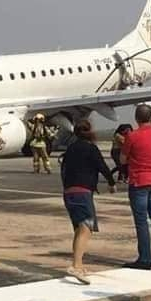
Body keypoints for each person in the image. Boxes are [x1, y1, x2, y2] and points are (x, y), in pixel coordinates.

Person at [61, 120, 116, 285]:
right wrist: (111, 182)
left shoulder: (70, 149)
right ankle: (76, 266)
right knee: (86, 228)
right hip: (82, 192)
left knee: (79, 229)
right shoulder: (90, 148)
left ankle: (79, 264)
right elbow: (102, 166)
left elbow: (64, 170)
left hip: (69, 192)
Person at [121, 104, 151, 270]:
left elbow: (123, 160)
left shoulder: (132, 136)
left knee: (141, 220)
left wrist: (124, 143)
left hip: (140, 180)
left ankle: (145, 258)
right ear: (150, 117)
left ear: (136, 118)